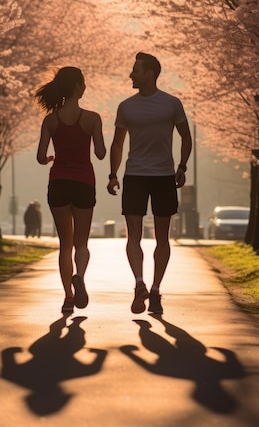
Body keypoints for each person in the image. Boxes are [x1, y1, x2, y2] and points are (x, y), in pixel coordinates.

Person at [107, 52, 192, 315]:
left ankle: (155, 289)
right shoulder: (126, 107)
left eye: (136, 70)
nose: (131, 74)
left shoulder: (172, 104)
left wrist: (182, 166)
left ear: (150, 73)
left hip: (164, 176)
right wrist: (113, 174)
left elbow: (186, 138)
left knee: (162, 237)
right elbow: (118, 143)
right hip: (134, 176)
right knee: (133, 235)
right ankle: (139, 284)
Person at [36, 67, 106, 314]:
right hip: (84, 183)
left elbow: (40, 157)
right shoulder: (92, 118)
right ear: (77, 86)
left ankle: (67, 298)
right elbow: (100, 153)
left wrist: (50, 159)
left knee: (65, 244)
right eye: (83, 83)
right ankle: (80, 277)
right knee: (81, 243)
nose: (85, 86)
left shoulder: (50, 120)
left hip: (59, 183)